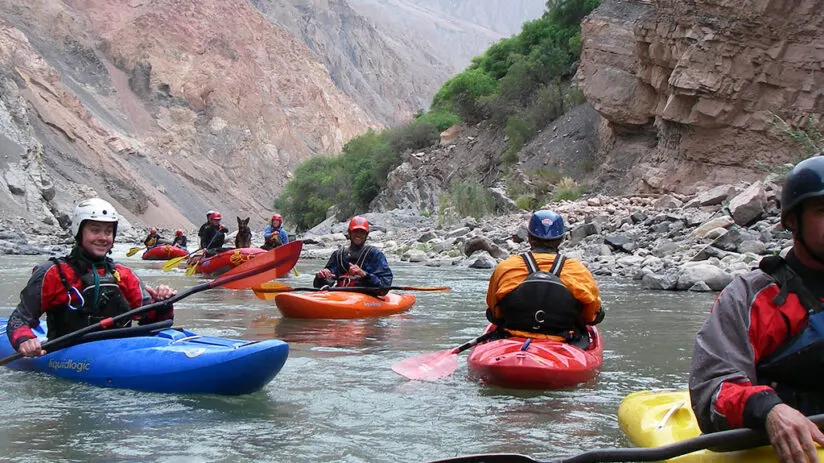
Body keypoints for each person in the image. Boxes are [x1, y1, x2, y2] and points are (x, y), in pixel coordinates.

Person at [690, 155, 824, 463]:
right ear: (792, 221)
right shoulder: (749, 298)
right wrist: (769, 409)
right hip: (780, 446)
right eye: (822, 211)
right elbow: (713, 390)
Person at [6, 198, 176, 357]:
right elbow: (19, 319)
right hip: (66, 355)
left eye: (108, 232)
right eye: (95, 230)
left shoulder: (123, 274)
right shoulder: (52, 273)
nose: (103, 238)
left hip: (119, 354)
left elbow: (152, 322)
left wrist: (163, 304)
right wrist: (25, 339)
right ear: (79, 232)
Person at [485, 210, 603, 341]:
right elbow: (591, 316)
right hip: (563, 339)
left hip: (512, 336)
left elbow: (494, 313)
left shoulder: (505, 267)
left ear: (529, 237)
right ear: (561, 239)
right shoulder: (578, 270)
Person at [313, 216, 392, 292]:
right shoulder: (338, 255)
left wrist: (364, 274)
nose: (358, 234)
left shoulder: (375, 255)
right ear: (349, 233)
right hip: (341, 296)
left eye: (362, 232)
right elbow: (320, 286)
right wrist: (320, 277)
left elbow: (385, 285)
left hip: (366, 296)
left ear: (366, 235)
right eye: (355, 231)